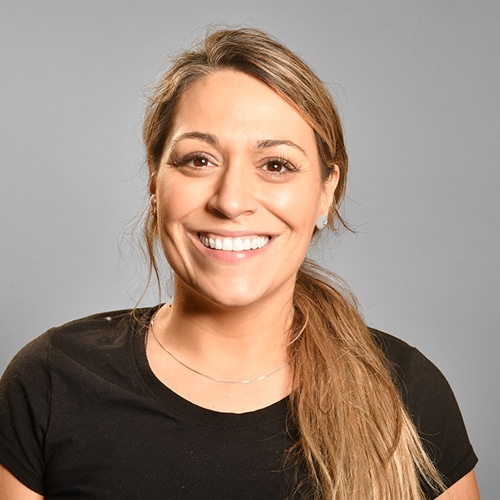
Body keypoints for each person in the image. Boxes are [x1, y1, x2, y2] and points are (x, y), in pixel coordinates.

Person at [0, 28, 479, 499]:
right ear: (154, 179)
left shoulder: (404, 392)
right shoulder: (49, 382)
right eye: (199, 160)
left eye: (276, 165)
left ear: (326, 192)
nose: (231, 201)